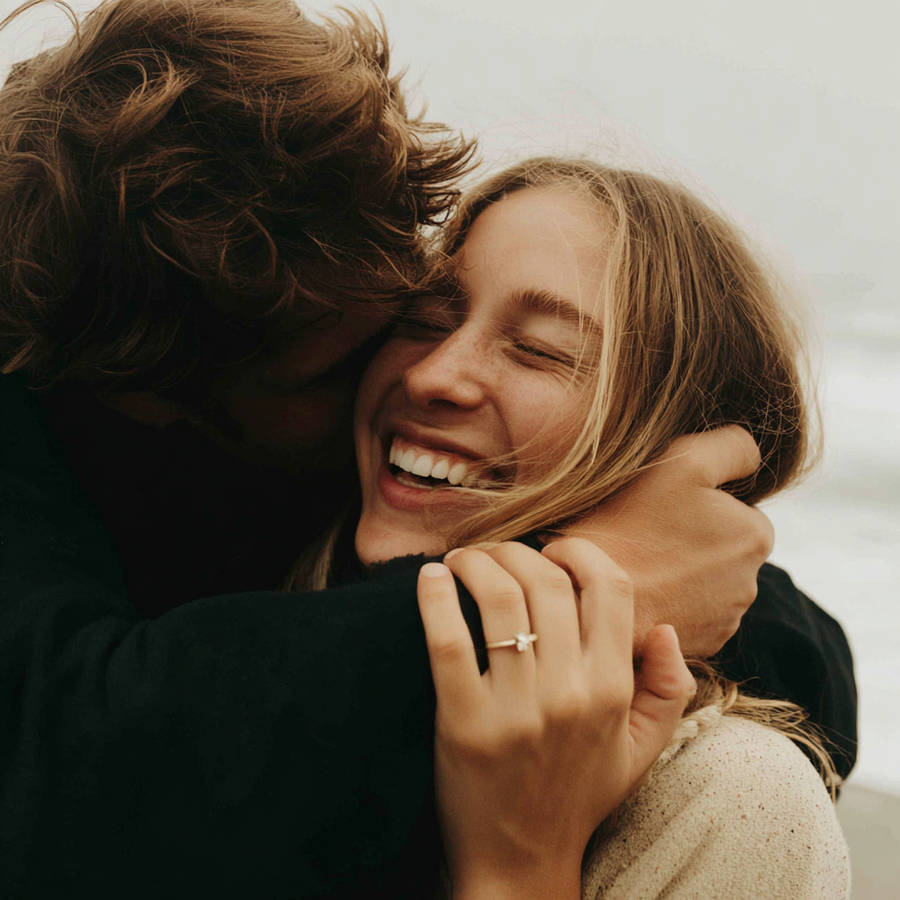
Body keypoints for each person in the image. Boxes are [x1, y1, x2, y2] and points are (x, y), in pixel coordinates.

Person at [0, 1, 855, 897]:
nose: (424, 375)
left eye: (407, 303)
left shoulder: (726, 800)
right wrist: (588, 587)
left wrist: (622, 590)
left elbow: (745, 599)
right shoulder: (151, 545)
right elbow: (81, 752)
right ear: (165, 414)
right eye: (409, 331)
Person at [341, 158, 851, 896]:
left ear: (674, 456)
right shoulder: (210, 599)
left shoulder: (728, 802)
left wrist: (521, 868)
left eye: (541, 350)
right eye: (424, 321)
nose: (431, 376)